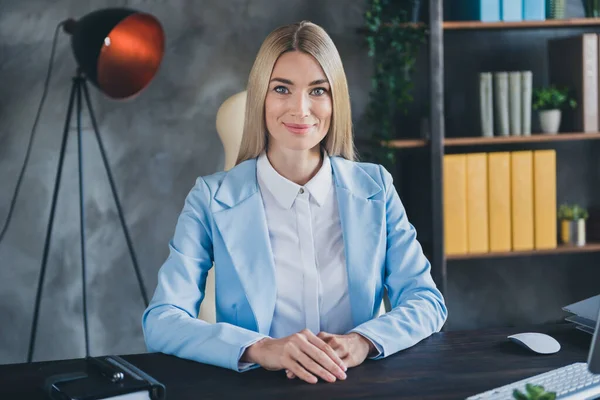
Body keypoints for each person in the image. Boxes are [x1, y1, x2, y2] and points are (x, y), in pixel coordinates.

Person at [141, 20, 447, 385]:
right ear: (260, 97)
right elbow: (161, 321)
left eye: (318, 91)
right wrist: (260, 348)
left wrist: (364, 341)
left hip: (357, 384)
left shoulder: (376, 187)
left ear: (336, 101)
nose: (301, 109)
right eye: (282, 89)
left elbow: (426, 301)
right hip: (259, 389)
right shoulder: (211, 198)